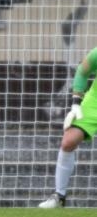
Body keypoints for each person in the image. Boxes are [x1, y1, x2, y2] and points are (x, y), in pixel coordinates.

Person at [39, 47, 97, 208]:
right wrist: (76, 104)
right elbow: (82, 72)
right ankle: (59, 196)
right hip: (95, 101)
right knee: (68, 141)